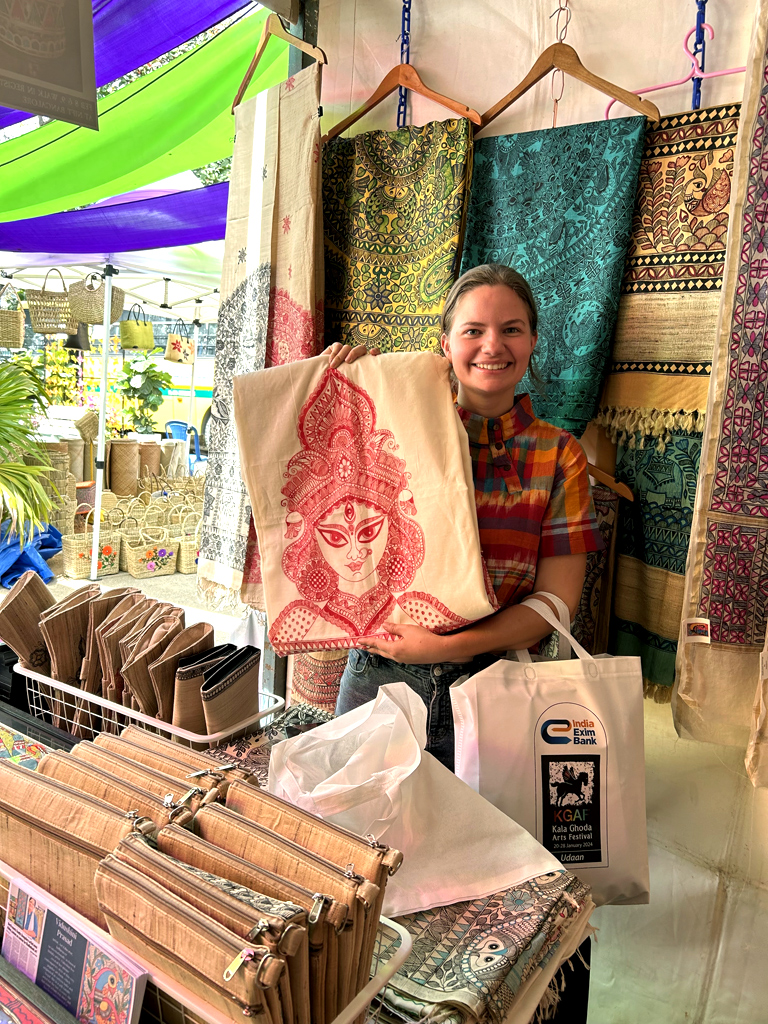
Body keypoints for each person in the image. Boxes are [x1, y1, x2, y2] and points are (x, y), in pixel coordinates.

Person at [329, 263, 604, 770]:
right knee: (355, 818)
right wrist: (346, 385)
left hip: (495, 688)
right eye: (473, 330)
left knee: (479, 823)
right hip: (379, 677)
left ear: (533, 341)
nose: (492, 345)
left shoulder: (559, 455)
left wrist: (442, 648)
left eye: (511, 329)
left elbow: (555, 605)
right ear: (446, 344)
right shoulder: (393, 432)